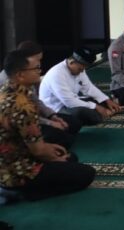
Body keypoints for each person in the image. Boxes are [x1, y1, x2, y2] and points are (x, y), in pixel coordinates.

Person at [0, 50, 95, 201]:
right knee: (86, 173)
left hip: (12, 160)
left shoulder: (7, 90)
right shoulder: (22, 105)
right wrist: (55, 157)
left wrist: (50, 147)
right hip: (18, 171)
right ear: (20, 75)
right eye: (36, 68)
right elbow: (38, 151)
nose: (40, 71)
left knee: (69, 157)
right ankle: (22, 193)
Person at [0, 41, 79, 149]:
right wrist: (50, 123)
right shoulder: (11, 87)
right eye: (37, 62)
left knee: (73, 123)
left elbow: (36, 101)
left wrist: (52, 116)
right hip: (22, 127)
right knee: (63, 139)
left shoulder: (26, 77)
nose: (40, 67)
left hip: (33, 118)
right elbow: (26, 117)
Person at [39, 47, 124, 126]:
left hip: (73, 100)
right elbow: (69, 102)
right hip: (57, 108)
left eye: (83, 69)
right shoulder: (56, 74)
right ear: (71, 62)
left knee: (100, 100)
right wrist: (95, 106)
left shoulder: (79, 69)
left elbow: (89, 88)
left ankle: (106, 111)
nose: (82, 72)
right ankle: (105, 113)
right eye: (80, 69)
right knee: (83, 113)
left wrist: (106, 100)